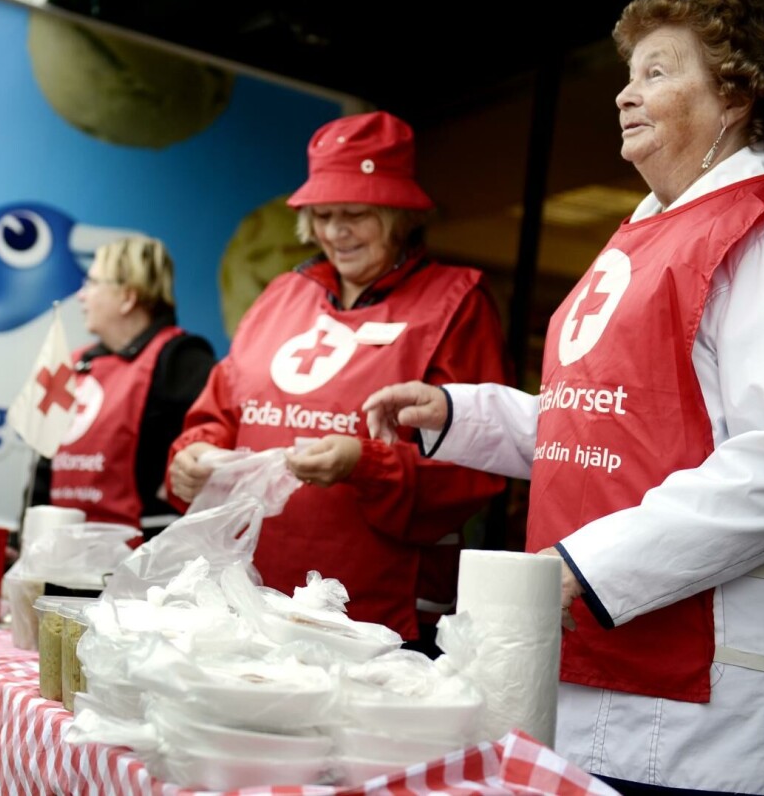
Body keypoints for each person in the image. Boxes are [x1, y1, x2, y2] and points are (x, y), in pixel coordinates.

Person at [362, 0, 764, 793]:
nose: (624, 92)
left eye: (657, 71)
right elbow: (602, 426)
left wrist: (583, 567)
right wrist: (461, 413)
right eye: (627, 73)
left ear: (739, 94)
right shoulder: (641, 238)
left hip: (718, 719)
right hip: (593, 677)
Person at [166, 110, 512, 655]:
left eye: (356, 214)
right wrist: (192, 454)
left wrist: (366, 463)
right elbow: (220, 412)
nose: (336, 232)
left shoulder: (455, 302)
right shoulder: (281, 294)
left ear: (398, 215)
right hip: (244, 598)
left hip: (375, 617)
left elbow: (477, 466)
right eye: (322, 215)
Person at [32, 236, 215, 545]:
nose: (81, 295)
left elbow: (199, 468)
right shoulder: (75, 363)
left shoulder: (183, 360)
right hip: (61, 555)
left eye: (91, 283)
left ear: (127, 297)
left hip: (141, 565)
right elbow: (44, 464)